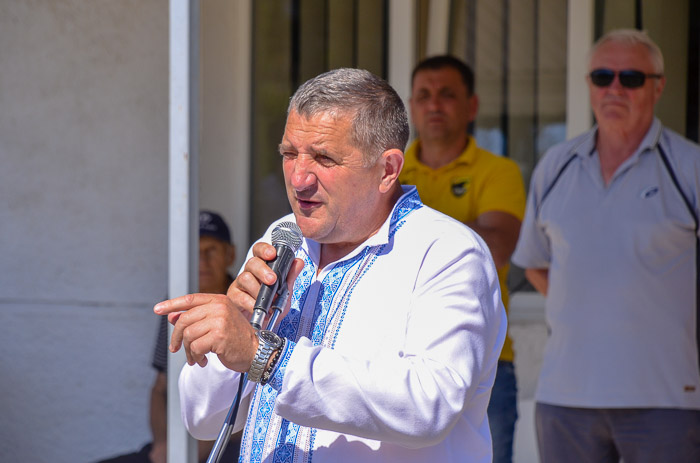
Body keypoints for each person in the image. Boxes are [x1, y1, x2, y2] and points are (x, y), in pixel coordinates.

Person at [155, 68, 507, 462]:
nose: (299, 178)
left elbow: (429, 405)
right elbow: (202, 419)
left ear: (387, 169)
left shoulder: (446, 252)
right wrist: (236, 325)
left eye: (324, 158)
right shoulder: (281, 236)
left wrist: (266, 357)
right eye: (289, 154)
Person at [512, 29, 700, 462]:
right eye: (602, 76)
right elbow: (536, 264)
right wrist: (589, 304)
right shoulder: (556, 166)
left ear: (658, 86)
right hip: (565, 397)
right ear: (589, 85)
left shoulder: (688, 168)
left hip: (667, 397)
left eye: (631, 77)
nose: (614, 88)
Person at [400, 55, 525, 463]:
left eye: (447, 94)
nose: (434, 105)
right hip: (395, 356)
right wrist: (465, 227)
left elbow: (499, 246)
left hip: (486, 364)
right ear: (411, 106)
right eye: (424, 95)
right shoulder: (388, 170)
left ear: (472, 106)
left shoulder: (499, 170)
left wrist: (404, 235)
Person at [97, 210, 239, 463]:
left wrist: (194, 455)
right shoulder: (175, 303)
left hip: (230, 440)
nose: (203, 261)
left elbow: (247, 399)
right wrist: (163, 446)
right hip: (178, 440)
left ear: (230, 254)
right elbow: (160, 387)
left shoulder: (247, 302)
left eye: (211, 251)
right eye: (195, 252)